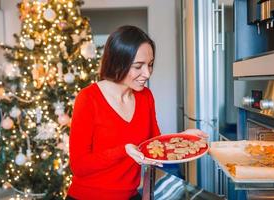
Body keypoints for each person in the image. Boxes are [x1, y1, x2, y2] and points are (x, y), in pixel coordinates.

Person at [66, 25, 208, 200]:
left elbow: (154, 144)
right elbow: (79, 165)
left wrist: (183, 138)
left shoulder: (145, 96)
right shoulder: (88, 98)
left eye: (150, 65)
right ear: (117, 62)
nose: (147, 73)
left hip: (130, 195)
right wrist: (123, 151)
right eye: (138, 66)